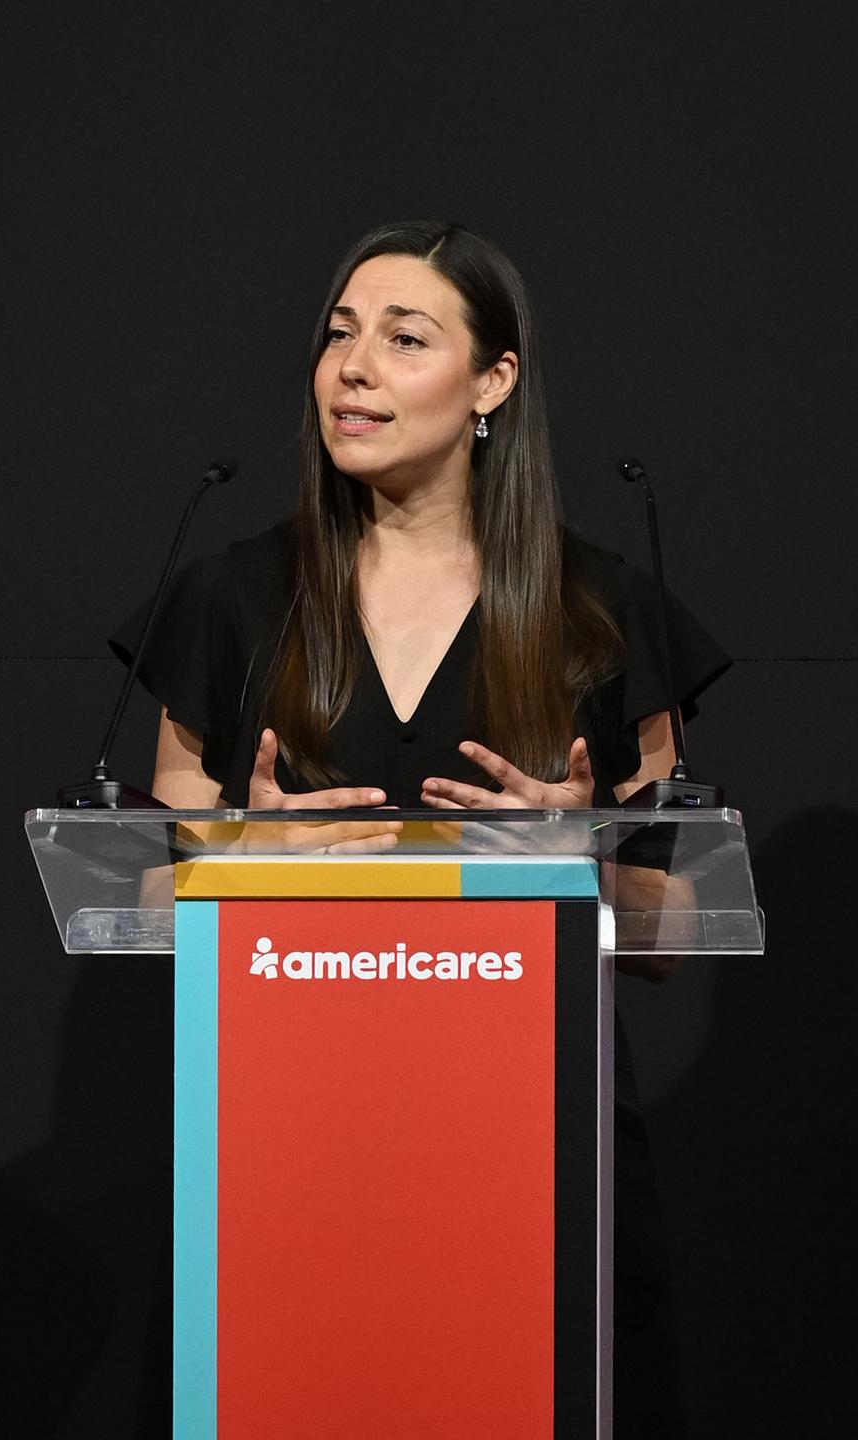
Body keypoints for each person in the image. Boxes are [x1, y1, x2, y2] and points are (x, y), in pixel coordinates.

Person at [113, 220, 729, 1436]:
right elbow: (136, 911)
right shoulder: (232, 600)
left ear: (491, 381)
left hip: (532, 1173)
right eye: (338, 336)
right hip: (287, 1167)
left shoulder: (601, 614)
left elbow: (677, 930)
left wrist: (580, 855)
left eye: (404, 340)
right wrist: (239, 861)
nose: (352, 368)